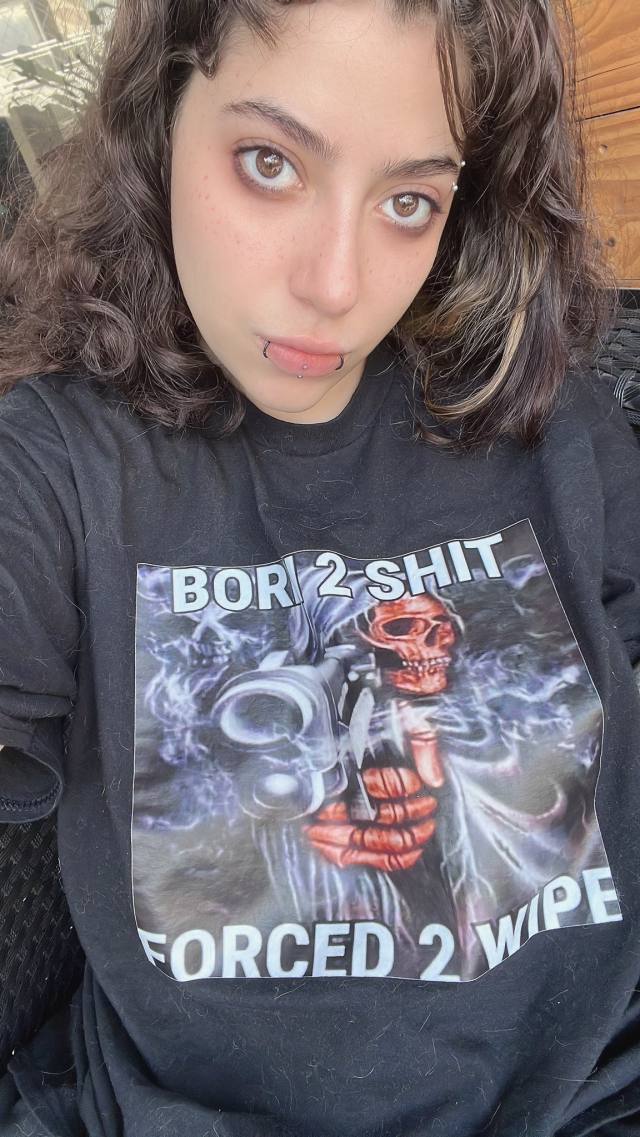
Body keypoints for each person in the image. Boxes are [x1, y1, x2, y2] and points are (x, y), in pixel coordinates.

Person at [0, 0, 639, 1134]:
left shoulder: (549, 424)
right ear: (162, 119)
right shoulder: (60, 465)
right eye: (270, 163)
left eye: (408, 201)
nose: (336, 286)